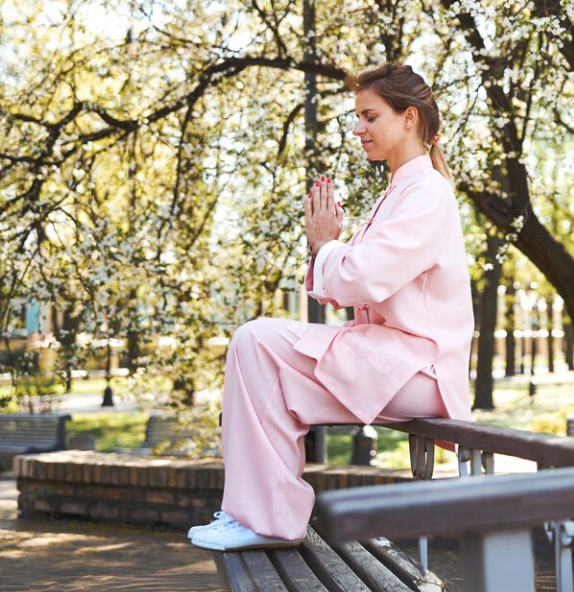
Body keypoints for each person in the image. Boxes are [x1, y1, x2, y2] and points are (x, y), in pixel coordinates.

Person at [189, 63, 473, 552]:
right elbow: (353, 276)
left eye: (369, 116)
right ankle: (262, 516)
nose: (357, 128)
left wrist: (325, 247)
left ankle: (267, 517)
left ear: (409, 118)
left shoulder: (427, 193)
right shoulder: (401, 192)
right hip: (392, 360)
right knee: (258, 356)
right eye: (356, 116)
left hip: (421, 370)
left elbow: (362, 277)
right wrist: (331, 248)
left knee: (258, 342)